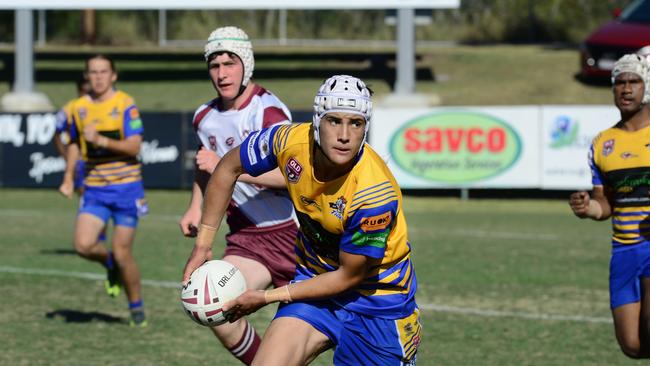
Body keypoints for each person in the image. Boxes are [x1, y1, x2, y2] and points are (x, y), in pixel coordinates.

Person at [183, 75, 421, 365]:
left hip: (378, 306)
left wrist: (266, 297)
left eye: (355, 123)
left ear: (365, 127)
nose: (344, 135)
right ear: (317, 120)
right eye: (334, 121)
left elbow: (350, 275)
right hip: (316, 289)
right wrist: (203, 245)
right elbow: (228, 167)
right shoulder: (288, 140)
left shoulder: (374, 194)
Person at [178, 26, 298, 365]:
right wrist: (195, 207)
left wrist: (227, 168)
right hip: (248, 238)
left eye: (230, 63)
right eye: (214, 66)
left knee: (332, 328)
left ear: (246, 65)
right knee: (212, 304)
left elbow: (292, 177)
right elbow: (206, 167)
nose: (221, 73)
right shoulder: (205, 116)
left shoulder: (269, 113)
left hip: (295, 235)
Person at [569, 53, 650, 358]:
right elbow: (606, 203)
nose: (626, 89)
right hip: (624, 252)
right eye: (620, 83)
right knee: (633, 345)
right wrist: (588, 207)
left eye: (634, 82)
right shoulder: (603, 143)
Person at [58, 54, 148, 327]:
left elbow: (134, 146)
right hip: (95, 190)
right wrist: (69, 176)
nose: (97, 77)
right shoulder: (77, 108)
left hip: (126, 190)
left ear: (113, 75)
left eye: (103, 71)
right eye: (93, 72)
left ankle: (136, 308)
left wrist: (101, 141)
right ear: (87, 77)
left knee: (124, 253)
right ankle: (109, 264)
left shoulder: (125, 104)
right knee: (83, 246)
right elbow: (73, 143)